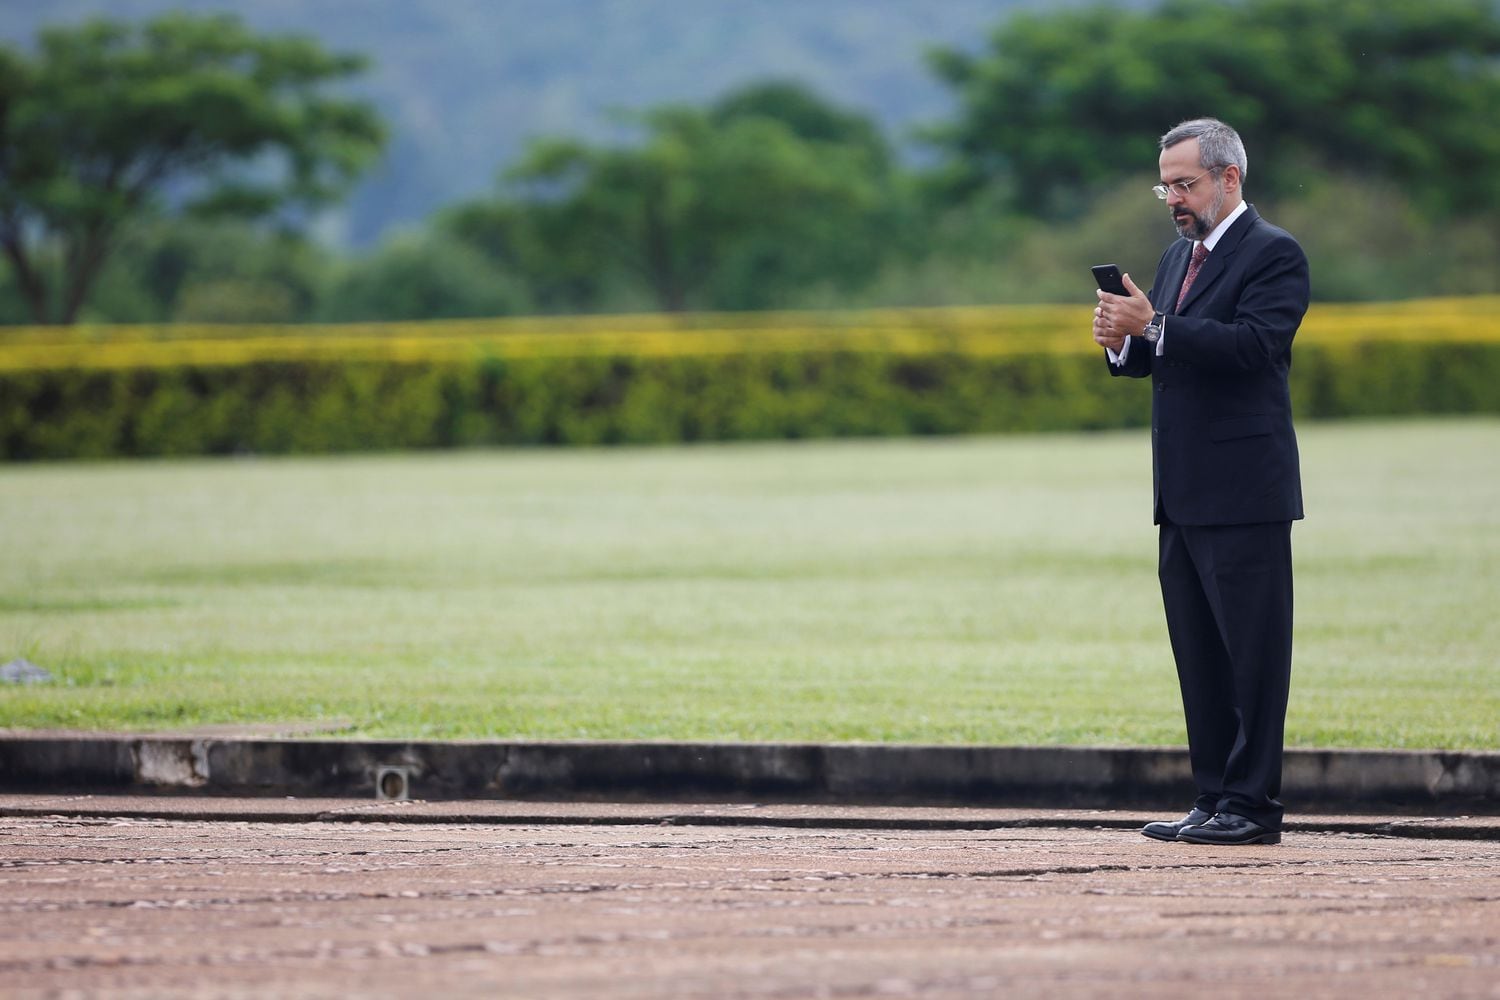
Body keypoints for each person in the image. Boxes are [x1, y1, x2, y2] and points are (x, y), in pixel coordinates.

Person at [1092, 117, 1309, 846]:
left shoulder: (1274, 254)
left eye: (1184, 184)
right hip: (1180, 492)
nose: (1173, 199)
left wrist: (1155, 327)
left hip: (1246, 491)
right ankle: (1214, 794)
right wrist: (1125, 343)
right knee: (1199, 653)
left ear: (1229, 179)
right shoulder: (1173, 257)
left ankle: (1253, 807)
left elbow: (1254, 347)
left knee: (1253, 653)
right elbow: (1162, 355)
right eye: (1166, 185)